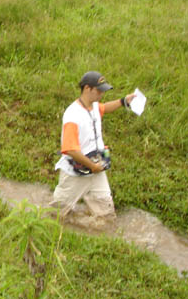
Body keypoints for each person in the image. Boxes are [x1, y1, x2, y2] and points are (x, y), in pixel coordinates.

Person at [51, 71, 135, 223]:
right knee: (57, 214)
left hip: (96, 168)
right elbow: (70, 149)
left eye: (103, 90)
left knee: (105, 215)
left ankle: (91, 232)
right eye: (99, 90)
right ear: (87, 89)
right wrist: (92, 166)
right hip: (74, 173)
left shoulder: (94, 106)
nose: (102, 93)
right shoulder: (73, 115)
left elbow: (104, 108)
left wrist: (123, 101)